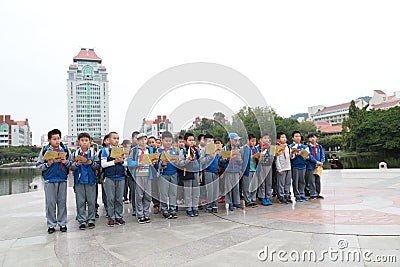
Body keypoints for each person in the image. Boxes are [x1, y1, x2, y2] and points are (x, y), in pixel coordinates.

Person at [36, 129, 72, 234]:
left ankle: (62, 223)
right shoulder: (45, 150)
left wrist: (65, 162)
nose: (57, 141)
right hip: (49, 180)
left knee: (62, 202)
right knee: (50, 203)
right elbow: (39, 166)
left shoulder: (65, 149)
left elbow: (71, 164)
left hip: (62, 179)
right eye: (54, 139)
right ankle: (51, 224)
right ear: (49, 140)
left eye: (58, 139)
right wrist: (48, 164)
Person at [71, 132, 99, 230]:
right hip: (79, 181)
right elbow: (71, 167)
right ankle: (82, 220)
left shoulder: (93, 153)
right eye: (82, 141)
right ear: (78, 142)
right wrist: (77, 164)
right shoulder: (75, 154)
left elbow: (97, 166)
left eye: (86, 141)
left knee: (92, 201)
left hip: (91, 180)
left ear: (90, 142)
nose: (84, 143)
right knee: (80, 202)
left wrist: (91, 163)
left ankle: (91, 219)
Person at [128, 133, 157, 224]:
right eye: (140, 140)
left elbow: (153, 160)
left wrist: (153, 162)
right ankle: (140, 215)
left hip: (148, 175)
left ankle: (146, 214)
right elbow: (129, 162)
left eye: (144, 139)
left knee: (148, 196)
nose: (143, 141)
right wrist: (137, 164)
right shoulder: (134, 150)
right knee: (139, 196)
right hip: (138, 175)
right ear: (137, 141)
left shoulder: (150, 149)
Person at [100, 131, 127, 226]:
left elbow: (126, 163)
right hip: (109, 177)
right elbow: (103, 164)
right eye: (114, 138)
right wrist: (114, 162)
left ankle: (119, 216)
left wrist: (122, 161)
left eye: (117, 138)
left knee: (119, 198)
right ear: (109, 140)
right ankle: (111, 217)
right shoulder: (105, 150)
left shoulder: (122, 150)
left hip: (120, 176)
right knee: (110, 198)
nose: (116, 140)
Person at [157, 131, 179, 219]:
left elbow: (179, 163)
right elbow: (156, 165)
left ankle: (173, 209)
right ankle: (164, 210)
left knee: (173, 193)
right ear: (162, 141)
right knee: (164, 193)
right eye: (166, 141)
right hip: (164, 175)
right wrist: (162, 164)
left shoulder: (174, 151)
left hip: (174, 174)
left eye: (170, 141)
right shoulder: (159, 151)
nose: (168, 143)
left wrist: (178, 163)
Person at [219, 133, 243, 211]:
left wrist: (240, 161)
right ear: (230, 139)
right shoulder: (224, 149)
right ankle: (229, 203)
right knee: (228, 188)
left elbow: (241, 161)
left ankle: (236, 202)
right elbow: (220, 160)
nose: (236, 141)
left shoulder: (238, 149)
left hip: (236, 170)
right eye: (235, 139)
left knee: (236, 187)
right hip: (228, 171)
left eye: (237, 140)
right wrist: (227, 158)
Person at [178, 132, 201, 217]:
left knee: (196, 192)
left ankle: (195, 207)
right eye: (189, 140)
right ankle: (189, 208)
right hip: (187, 173)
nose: (191, 142)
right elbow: (180, 163)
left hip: (196, 172)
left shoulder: (195, 150)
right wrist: (186, 161)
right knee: (188, 192)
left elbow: (199, 160)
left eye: (193, 140)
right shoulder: (182, 151)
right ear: (185, 141)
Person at [200, 133, 220, 213]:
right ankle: (209, 206)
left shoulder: (216, 148)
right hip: (208, 171)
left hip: (215, 171)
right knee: (210, 190)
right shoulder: (204, 149)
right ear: (205, 142)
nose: (211, 142)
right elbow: (201, 160)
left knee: (215, 190)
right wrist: (209, 157)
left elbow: (219, 158)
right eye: (209, 141)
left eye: (212, 141)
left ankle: (215, 206)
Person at [289, 131, 309, 202]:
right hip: (295, 166)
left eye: (299, 136)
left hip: (303, 165)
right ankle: (297, 195)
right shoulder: (291, 146)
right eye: (296, 136)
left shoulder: (304, 146)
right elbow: (290, 157)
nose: (298, 138)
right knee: (296, 181)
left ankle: (302, 194)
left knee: (302, 181)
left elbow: (307, 156)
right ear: (293, 138)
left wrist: (305, 156)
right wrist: (297, 154)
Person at [241, 134, 259, 207]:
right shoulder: (244, 148)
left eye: (255, 141)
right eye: (252, 141)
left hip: (255, 169)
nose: (254, 143)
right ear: (248, 140)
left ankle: (253, 199)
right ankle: (247, 200)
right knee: (246, 186)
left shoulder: (256, 149)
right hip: (247, 170)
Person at [256, 133, 274, 206]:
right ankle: (262, 197)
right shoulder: (257, 148)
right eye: (265, 138)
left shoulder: (271, 148)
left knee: (268, 182)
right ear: (260, 140)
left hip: (269, 166)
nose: (267, 140)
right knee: (262, 182)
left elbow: (273, 157)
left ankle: (268, 197)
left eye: (268, 138)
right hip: (261, 167)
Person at [307, 133, 325, 199]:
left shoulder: (319, 146)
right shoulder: (307, 147)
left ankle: (317, 193)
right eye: (311, 137)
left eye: (314, 137)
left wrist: (322, 162)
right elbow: (310, 156)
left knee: (318, 180)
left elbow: (322, 155)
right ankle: (312, 193)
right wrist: (316, 162)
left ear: (316, 138)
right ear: (309, 139)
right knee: (311, 180)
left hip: (319, 166)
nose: (312, 139)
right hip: (311, 166)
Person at [275, 132, 292, 204]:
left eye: (285, 137)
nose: (284, 138)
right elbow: (277, 159)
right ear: (278, 140)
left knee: (288, 182)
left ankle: (287, 195)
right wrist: (279, 169)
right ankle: (281, 196)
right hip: (281, 168)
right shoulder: (277, 147)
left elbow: (290, 157)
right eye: (282, 137)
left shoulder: (288, 146)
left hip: (288, 167)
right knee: (281, 183)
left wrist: (292, 154)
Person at [122, 139, 133, 204]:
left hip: (129, 171)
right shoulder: (121, 151)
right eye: (128, 145)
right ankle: (125, 198)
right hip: (123, 171)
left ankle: (131, 198)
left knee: (130, 185)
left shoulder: (131, 151)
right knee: (124, 186)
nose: (129, 147)